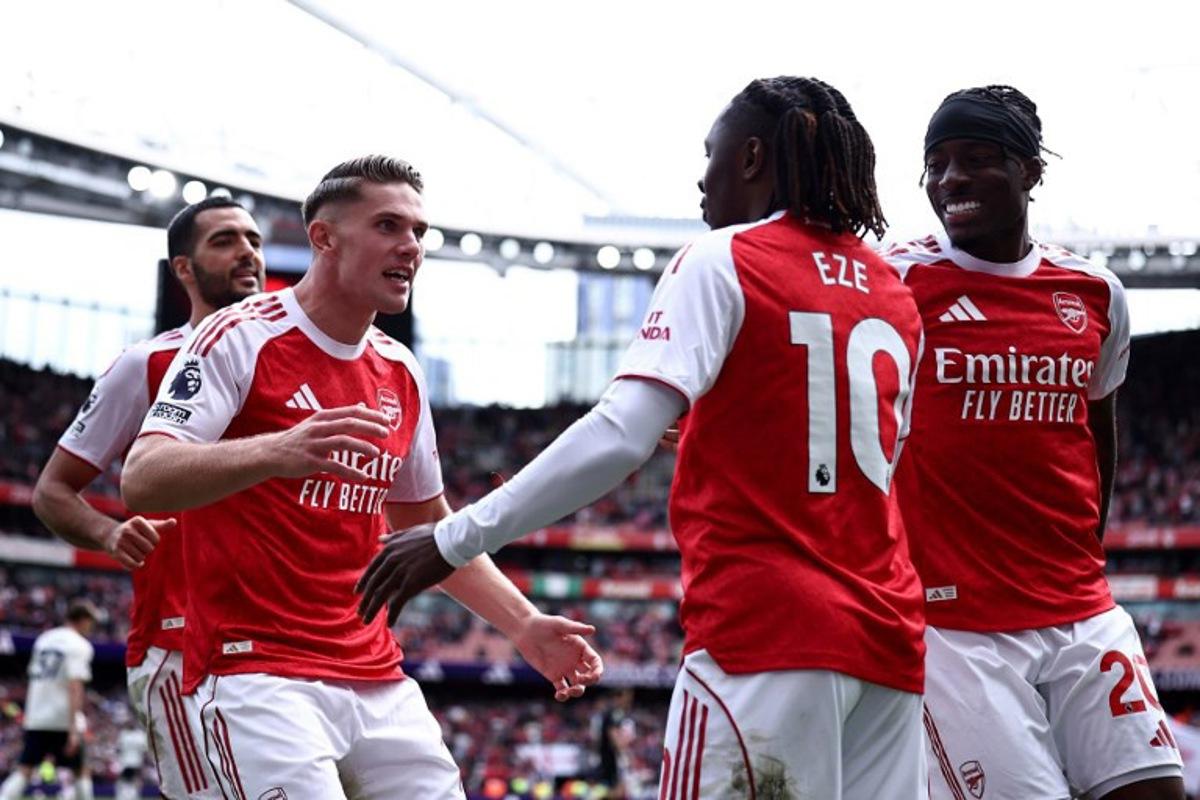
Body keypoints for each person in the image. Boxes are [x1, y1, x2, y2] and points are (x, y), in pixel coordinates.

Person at [358, 77, 927, 799]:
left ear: (752, 157)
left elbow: (620, 434)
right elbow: (863, 458)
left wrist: (452, 538)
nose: (701, 175)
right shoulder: (893, 291)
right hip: (890, 646)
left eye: (710, 153)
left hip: (766, 637)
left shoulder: (725, 258)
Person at [121, 155, 603, 799]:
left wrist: (522, 623)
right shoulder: (236, 338)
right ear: (324, 238)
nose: (411, 247)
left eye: (419, 232)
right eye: (387, 226)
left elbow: (429, 530)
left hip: (378, 678)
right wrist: (276, 451)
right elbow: (144, 475)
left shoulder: (399, 370)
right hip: (256, 675)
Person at [883, 85, 1183, 800]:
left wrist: (1083, 554)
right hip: (958, 631)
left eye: (976, 159)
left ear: (1030, 172)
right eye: (937, 164)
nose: (950, 179)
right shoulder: (897, 280)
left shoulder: (1095, 293)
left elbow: (1095, 429)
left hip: (1081, 610)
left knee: (1156, 791)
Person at [32, 195, 266, 798]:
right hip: (183, 646)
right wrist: (109, 533)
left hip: (296, 643)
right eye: (224, 240)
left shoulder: (304, 361)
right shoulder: (146, 364)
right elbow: (53, 492)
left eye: (254, 239)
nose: (247, 250)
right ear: (183, 270)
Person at [0, 600, 99, 800]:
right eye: (91, 623)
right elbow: (75, 686)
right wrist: (73, 728)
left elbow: (33, 676)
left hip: (36, 716)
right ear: (83, 620)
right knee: (81, 771)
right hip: (62, 718)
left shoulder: (44, 639)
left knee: (24, 769)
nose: (92, 628)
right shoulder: (79, 645)